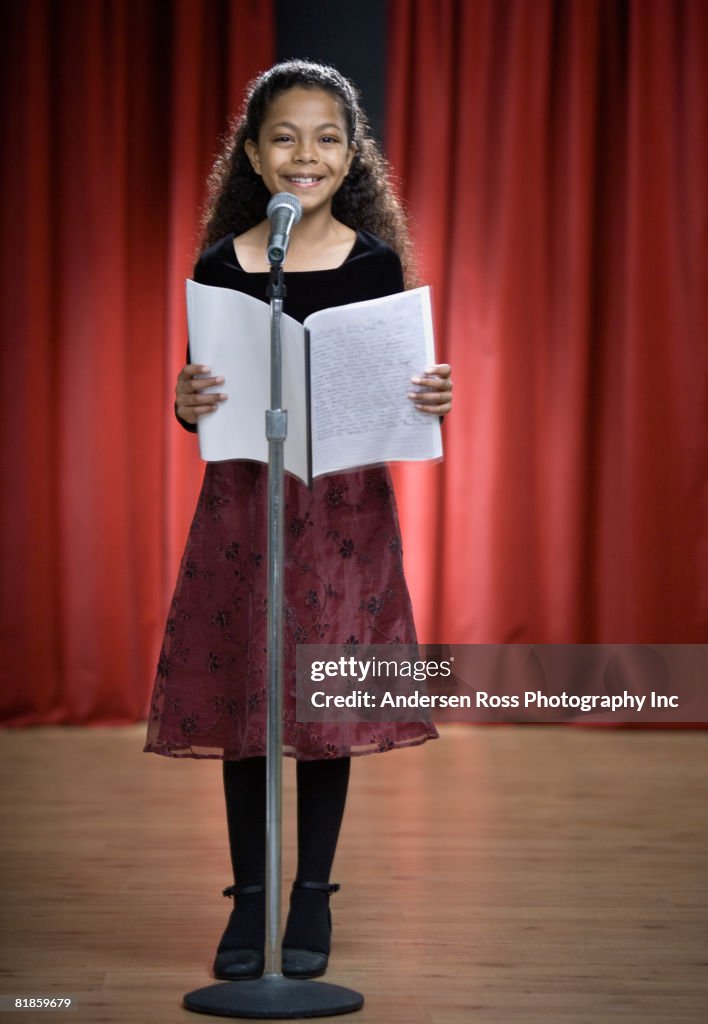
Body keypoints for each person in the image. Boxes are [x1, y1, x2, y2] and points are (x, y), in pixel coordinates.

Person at [144, 59, 453, 982]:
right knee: (250, 693)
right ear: (252, 152)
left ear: (353, 154)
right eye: (284, 136)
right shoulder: (217, 265)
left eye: (326, 138)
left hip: (344, 514)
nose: (304, 154)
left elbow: (398, 393)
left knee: (321, 700)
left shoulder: (374, 262)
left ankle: (311, 894)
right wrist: (186, 400)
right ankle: (248, 900)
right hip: (245, 506)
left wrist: (430, 397)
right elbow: (201, 402)